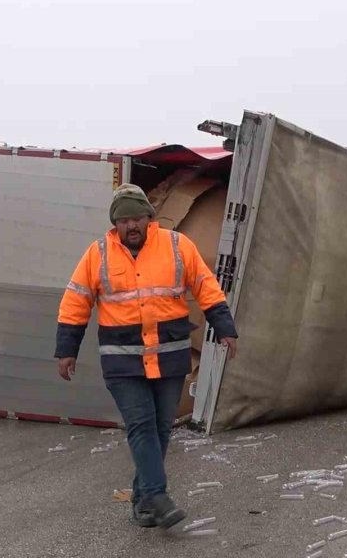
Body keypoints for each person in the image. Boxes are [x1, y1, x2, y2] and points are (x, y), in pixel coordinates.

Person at [54, 183, 238, 529]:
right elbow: (76, 301)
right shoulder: (98, 254)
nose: (131, 226)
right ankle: (158, 495)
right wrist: (67, 350)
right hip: (123, 363)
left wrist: (224, 327)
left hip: (169, 357)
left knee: (160, 429)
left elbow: (205, 285)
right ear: (115, 224)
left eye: (136, 217)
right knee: (141, 427)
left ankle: (141, 502)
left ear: (148, 218)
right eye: (124, 220)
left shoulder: (176, 245)